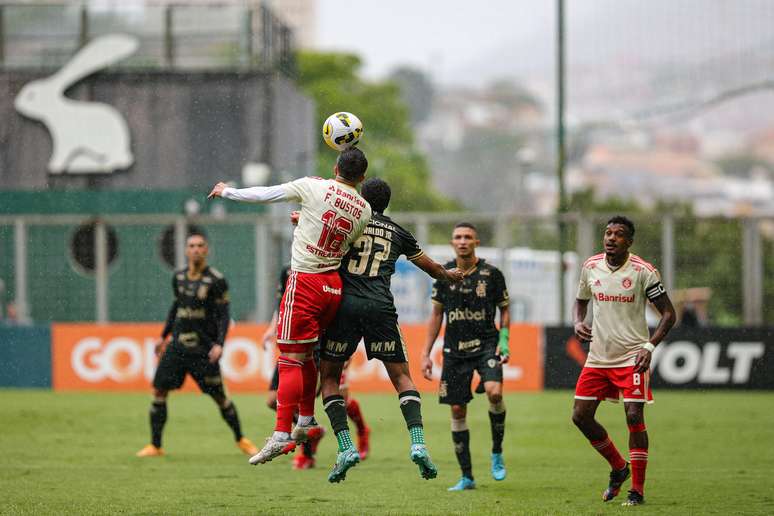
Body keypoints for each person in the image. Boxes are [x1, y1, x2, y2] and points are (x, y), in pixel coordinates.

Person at [209, 147, 372, 464]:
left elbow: (266, 194)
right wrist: (307, 221)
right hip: (332, 286)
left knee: (289, 359)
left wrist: (227, 191)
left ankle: (282, 433)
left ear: (335, 165)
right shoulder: (363, 209)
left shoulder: (314, 186)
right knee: (308, 355)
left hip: (307, 281)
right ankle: (307, 419)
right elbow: (342, 240)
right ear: (362, 178)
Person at [316, 177, 464, 483]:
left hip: (345, 307)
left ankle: (345, 447)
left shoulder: (348, 223)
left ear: (360, 198)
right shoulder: (398, 232)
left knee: (329, 378)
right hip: (380, 308)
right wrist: (450, 276)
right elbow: (432, 268)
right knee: (401, 377)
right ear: (387, 203)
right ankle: (418, 443)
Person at [571, 216, 675, 506]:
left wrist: (649, 346)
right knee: (580, 416)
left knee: (633, 416)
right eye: (607, 233)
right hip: (598, 357)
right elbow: (580, 300)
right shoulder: (591, 267)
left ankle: (637, 491)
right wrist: (578, 321)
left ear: (629, 242)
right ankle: (619, 468)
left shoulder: (643, 272)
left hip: (632, 356)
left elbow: (669, 314)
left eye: (618, 235)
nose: (611, 238)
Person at [136, 233, 258, 458]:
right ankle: (155, 445)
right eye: (191, 246)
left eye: (200, 246)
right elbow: (176, 308)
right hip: (177, 346)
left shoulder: (216, 280)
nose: (196, 249)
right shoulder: (179, 277)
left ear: (207, 250)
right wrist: (163, 337)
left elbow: (224, 315)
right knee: (159, 391)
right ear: (186, 250)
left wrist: (220, 344)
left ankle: (241, 439)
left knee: (220, 397)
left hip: (203, 349)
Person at [421, 222, 511, 491]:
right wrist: (425, 353)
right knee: (458, 410)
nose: (462, 241)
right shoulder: (443, 274)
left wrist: (504, 341)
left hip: (486, 346)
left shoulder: (492, 274)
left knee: (494, 393)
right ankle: (467, 476)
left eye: (468, 237)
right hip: (454, 351)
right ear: (452, 243)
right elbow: (436, 315)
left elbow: (505, 309)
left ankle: (496, 451)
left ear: (476, 242)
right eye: (458, 237)